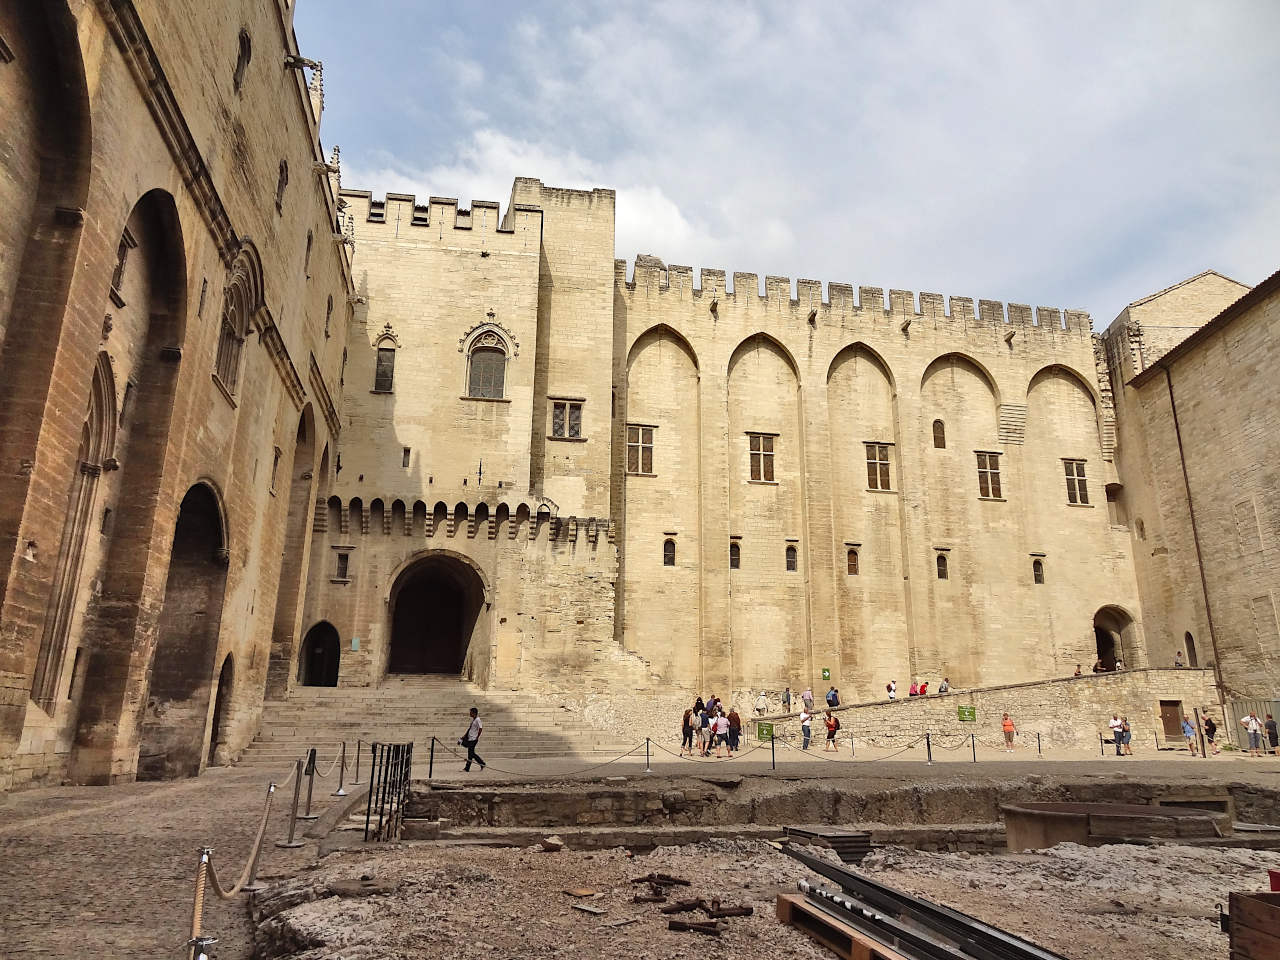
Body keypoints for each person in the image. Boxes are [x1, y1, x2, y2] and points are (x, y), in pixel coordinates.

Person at [460, 706, 485, 772]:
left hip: (473, 739)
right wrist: (464, 736)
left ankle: (480, 763)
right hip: (470, 738)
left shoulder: (478, 720)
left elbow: (480, 728)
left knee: (471, 753)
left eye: (470, 712)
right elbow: (470, 729)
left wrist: (477, 736)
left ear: (474, 713)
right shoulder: (473, 720)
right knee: (471, 754)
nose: (469, 713)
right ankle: (479, 764)